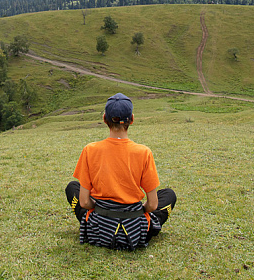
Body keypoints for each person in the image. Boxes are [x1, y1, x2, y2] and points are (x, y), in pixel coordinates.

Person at [65, 93, 177, 250]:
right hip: (135, 232)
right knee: (169, 195)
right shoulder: (143, 152)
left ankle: (99, 221)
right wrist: (138, 210)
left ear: (104, 119)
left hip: (98, 230)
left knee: (72, 187)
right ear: (131, 119)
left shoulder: (90, 150)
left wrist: (98, 206)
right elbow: (152, 205)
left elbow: (84, 202)